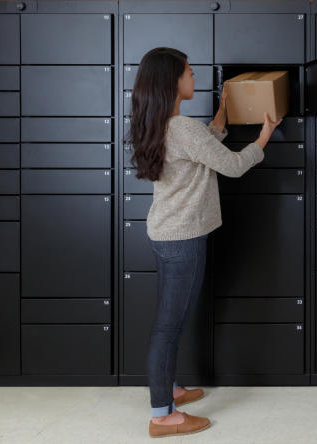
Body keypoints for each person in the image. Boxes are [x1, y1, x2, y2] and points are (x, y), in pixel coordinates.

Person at [128, 47, 282, 438]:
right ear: (172, 82)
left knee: (170, 320)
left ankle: (171, 390)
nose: (194, 78)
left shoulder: (160, 124)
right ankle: (162, 416)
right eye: (189, 73)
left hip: (165, 233)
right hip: (184, 239)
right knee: (169, 325)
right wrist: (265, 136)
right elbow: (230, 165)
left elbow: (201, 149)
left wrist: (221, 117)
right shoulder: (184, 129)